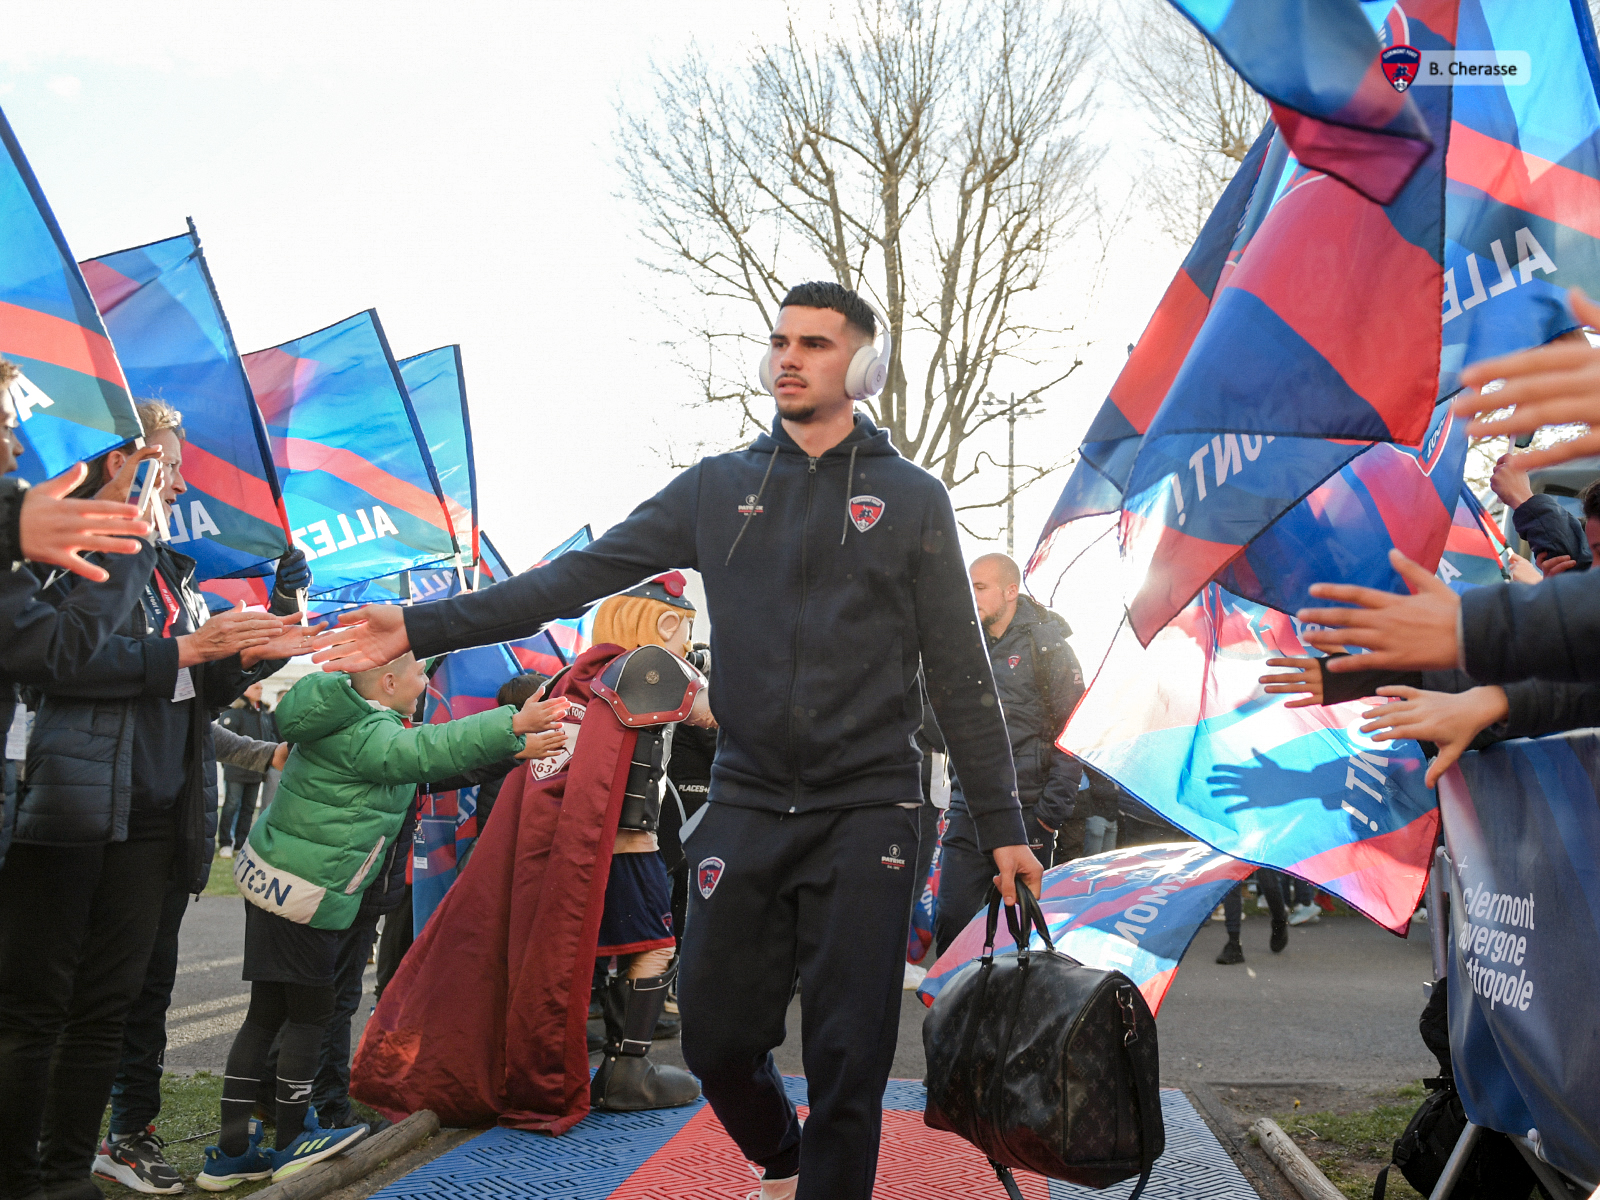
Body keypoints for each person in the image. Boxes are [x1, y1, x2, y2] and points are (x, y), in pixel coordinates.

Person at [315, 281, 1038, 1200]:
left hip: (871, 808)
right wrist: (422, 626)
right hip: (746, 803)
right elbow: (570, 580)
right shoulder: (717, 486)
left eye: (815, 344)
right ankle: (781, 1158)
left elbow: (964, 677)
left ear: (864, 366)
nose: (788, 357)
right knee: (717, 1041)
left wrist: (1004, 819)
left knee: (849, 1056)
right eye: (779, 341)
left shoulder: (912, 497)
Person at [0, 400, 306, 1200]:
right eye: (159, 463)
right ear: (116, 464)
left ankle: (69, 1175)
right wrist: (179, 648)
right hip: (67, 812)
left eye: (172, 466)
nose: (174, 480)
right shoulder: (56, 544)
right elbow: (51, 663)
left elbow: (190, 686)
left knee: (108, 1009)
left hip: (157, 817)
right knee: (36, 1012)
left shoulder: (171, 570)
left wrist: (252, 648)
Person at [196, 654, 565, 1190]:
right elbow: (428, 749)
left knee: (265, 1014)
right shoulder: (371, 732)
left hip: (275, 882)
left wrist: (514, 748)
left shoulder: (337, 720)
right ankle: (294, 1138)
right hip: (312, 895)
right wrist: (512, 725)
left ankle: (231, 1152)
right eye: (419, 676)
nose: (425, 686)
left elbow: (424, 765)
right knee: (309, 1017)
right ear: (388, 683)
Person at [94, 724, 290, 1196]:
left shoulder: (186, 683)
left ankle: (126, 1136)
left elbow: (201, 729)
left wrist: (268, 753)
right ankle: (58, 1141)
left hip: (171, 857)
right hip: (106, 849)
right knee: (92, 1006)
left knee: (150, 996)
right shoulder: (131, 666)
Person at [933, 552, 1082, 956]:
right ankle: (959, 1017)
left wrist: (1048, 814)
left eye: (979, 587)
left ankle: (1010, 1017)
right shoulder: (960, 641)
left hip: (1028, 810)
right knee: (952, 923)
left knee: (1019, 936)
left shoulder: (1048, 646)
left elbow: (1074, 732)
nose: (971, 595)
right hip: (969, 805)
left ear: (1010, 590)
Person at [216, 682, 278, 859]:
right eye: (256, 687)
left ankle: (241, 842)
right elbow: (224, 742)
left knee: (249, 807)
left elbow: (269, 736)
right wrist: (227, 766)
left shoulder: (263, 714)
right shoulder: (233, 712)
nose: (260, 690)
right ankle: (226, 842)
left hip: (257, 769)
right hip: (235, 770)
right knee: (231, 804)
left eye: (261, 688)